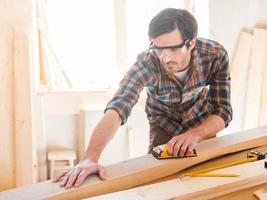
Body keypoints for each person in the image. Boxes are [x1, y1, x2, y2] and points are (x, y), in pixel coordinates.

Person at [53, 8, 232, 189]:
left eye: (172, 48)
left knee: (206, 183)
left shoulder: (215, 55)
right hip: (163, 125)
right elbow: (118, 106)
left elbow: (222, 110)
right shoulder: (147, 62)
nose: (164, 57)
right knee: (159, 186)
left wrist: (195, 135)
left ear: (191, 42)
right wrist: (90, 158)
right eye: (158, 48)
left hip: (201, 124)